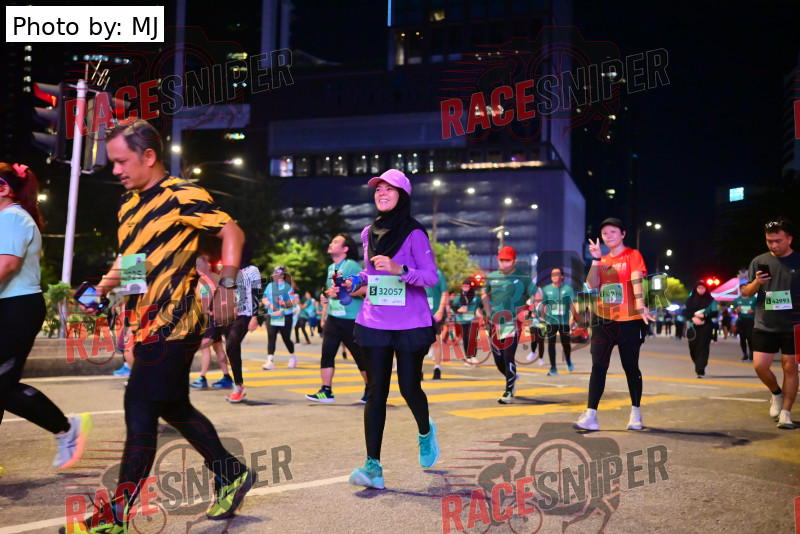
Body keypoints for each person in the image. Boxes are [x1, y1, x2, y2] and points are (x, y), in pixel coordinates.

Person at [70, 120, 254, 532]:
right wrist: (101, 294)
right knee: (174, 407)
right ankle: (231, 472)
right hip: (146, 324)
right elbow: (132, 263)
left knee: (139, 407)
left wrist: (227, 285)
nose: (116, 170)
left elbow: (232, 231)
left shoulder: (182, 194)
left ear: (149, 156)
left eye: (122, 161)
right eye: (112, 162)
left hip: (177, 322)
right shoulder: (128, 205)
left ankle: (115, 515)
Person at [344, 169, 440, 490]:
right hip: (375, 320)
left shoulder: (415, 233)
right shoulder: (368, 233)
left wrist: (402, 270)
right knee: (376, 392)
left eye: (389, 189)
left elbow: (431, 276)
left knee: (409, 388)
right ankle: (373, 467)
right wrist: (355, 281)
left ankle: (425, 432)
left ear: (403, 195)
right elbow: (371, 274)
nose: (381, 193)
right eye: (378, 189)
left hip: (410, 322)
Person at [0, 162, 91, 470]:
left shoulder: (13, 217)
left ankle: (65, 429)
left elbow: (7, 264)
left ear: (4, 189)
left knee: (2, 385)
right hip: (9, 306)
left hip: (17, 308)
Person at [575, 218, 654, 432]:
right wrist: (595, 259)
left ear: (623, 234)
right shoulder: (602, 259)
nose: (608, 236)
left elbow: (636, 280)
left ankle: (635, 412)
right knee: (598, 366)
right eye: (605, 233)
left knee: (631, 367)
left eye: (613, 232)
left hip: (629, 320)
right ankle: (591, 415)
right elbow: (591, 284)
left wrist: (640, 305)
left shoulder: (632, 255)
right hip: (603, 319)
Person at [740, 218, 799, 430]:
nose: (773, 245)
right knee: (760, 366)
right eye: (769, 241)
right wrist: (758, 282)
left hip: (794, 325)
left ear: (789, 239)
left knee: (790, 368)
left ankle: (786, 413)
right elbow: (746, 292)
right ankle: (776, 393)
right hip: (765, 323)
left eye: (778, 241)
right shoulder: (759, 261)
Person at [305, 233, 368, 404]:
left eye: (336, 242)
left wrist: (344, 292)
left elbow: (364, 288)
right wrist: (325, 299)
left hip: (351, 318)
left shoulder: (352, 265)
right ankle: (326, 391)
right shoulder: (331, 267)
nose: (331, 244)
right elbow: (331, 291)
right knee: (327, 354)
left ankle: (371, 389)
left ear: (345, 248)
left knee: (360, 356)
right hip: (333, 317)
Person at [481, 246, 533, 404]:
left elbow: (537, 295)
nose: (503, 264)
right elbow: (484, 294)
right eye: (501, 260)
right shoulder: (492, 277)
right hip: (495, 323)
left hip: (513, 322)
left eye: (507, 261)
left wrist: (528, 310)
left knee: (508, 355)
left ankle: (509, 392)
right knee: (498, 359)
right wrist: (488, 312)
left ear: (514, 261)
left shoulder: (523, 277)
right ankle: (512, 377)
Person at [224, 242, 262, 403]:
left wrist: (255, 317)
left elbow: (256, 294)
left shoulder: (252, 270)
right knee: (233, 348)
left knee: (231, 345)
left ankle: (238, 386)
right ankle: (238, 387)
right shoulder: (234, 271)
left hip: (246, 314)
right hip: (233, 315)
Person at [190, 254, 233, 389]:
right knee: (217, 346)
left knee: (205, 347)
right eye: (196, 265)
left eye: (199, 265)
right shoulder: (214, 278)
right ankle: (226, 377)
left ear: (207, 265)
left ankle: (202, 378)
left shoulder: (203, 281)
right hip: (219, 318)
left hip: (210, 319)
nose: (197, 268)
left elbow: (205, 303)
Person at [536, 267, 578, 375]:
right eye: (552, 274)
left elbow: (571, 305)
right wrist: (542, 320)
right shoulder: (546, 289)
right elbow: (544, 305)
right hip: (551, 321)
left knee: (566, 344)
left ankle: (568, 360)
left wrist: (573, 318)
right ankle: (553, 368)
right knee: (551, 344)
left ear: (562, 276)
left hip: (564, 322)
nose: (554, 276)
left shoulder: (568, 289)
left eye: (557, 274)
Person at [261, 266, 300, 370]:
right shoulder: (270, 285)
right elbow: (264, 298)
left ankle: (292, 357)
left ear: (282, 275)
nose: (274, 275)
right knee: (271, 337)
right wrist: (269, 304)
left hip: (285, 316)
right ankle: (270, 361)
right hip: (272, 315)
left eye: (276, 273)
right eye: (274, 273)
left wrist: (281, 303)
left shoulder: (287, 287)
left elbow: (292, 302)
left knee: (286, 338)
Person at [683, 281, 718, 378]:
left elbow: (715, 313)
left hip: (706, 327)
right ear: (695, 289)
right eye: (699, 288)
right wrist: (693, 318)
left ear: (706, 289)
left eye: (703, 288)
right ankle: (698, 364)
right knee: (693, 348)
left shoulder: (711, 300)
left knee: (703, 348)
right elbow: (685, 312)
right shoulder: (690, 300)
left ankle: (700, 370)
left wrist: (705, 316)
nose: (701, 290)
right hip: (692, 327)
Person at [450, 277, 482, 365]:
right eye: (464, 285)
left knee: (472, 338)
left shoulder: (476, 296)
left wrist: (479, 310)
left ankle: (473, 356)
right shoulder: (458, 297)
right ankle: (468, 358)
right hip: (462, 321)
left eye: (467, 286)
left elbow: (482, 305)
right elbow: (453, 307)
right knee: (466, 339)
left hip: (473, 320)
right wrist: (459, 310)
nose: (465, 287)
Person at [426, 267, 449, 379]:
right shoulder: (416, 272)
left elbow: (444, 293)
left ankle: (437, 368)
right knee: (419, 343)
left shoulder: (438, 273)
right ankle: (418, 370)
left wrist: (441, 310)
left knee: (435, 341)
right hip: (420, 313)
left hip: (435, 312)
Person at [733, 284, 756, 361]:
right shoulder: (737, 300)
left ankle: (751, 353)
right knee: (742, 338)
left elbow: (759, 309)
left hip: (751, 321)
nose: (745, 290)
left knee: (750, 337)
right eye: (743, 288)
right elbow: (734, 310)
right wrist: (737, 309)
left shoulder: (753, 299)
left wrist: (753, 311)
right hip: (741, 321)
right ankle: (745, 354)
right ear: (740, 290)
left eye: (746, 288)